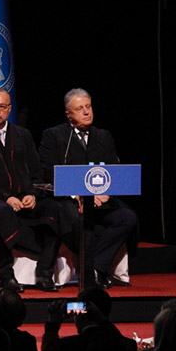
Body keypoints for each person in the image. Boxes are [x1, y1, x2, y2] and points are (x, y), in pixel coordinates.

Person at [0, 89, 74, 292]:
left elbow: (36, 171)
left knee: (55, 208)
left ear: (9, 109)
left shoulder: (22, 135)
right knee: (3, 211)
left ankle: (44, 273)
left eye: (2, 106)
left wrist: (32, 194)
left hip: (24, 196)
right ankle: (6, 274)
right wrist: (6, 197)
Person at [37, 89, 139, 286]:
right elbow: (48, 172)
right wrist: (77, 196)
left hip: (101, 199)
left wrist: (106, 194)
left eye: (88, 107)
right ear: (69, 115)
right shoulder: (54, 136)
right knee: (72, 219)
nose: (86, 112)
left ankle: (95, 268)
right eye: (79, 109)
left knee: (127, 217)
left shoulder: (103, 136)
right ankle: (92, 272)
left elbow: (114, 170)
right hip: (69, 200)